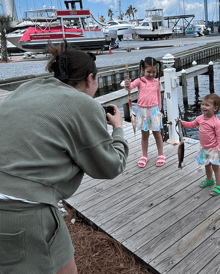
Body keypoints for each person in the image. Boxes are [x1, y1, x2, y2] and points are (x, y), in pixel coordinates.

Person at [0, 42, 129, 274]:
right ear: (90, 79)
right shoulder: (84, 103)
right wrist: (118, 129)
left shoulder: (27, 88)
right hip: (24, 209)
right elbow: (111, 166)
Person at [179, 93, 220, 196]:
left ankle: (219, 185)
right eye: (203, 104)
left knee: (216, 168)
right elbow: (192, 125)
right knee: (207, 166)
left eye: (207, 105)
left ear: (215, 108)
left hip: (213, 149)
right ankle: (209, 180)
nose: (203, 106)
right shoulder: (200, 118)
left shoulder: (216, 122)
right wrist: (183, 123)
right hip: (204, 148)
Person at [124, 57, 165, 168]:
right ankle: (144, 155)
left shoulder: (157, 82)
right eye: (149, 72)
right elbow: (129, 88)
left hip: (154, 110)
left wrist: (160, 111)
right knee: (144, 135)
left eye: (154, 72)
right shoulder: (139, 81)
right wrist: (127, 84)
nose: (151, 74)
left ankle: (161, 154)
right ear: (143, 70)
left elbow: (159, 97)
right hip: (142, 111)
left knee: (157, 134)